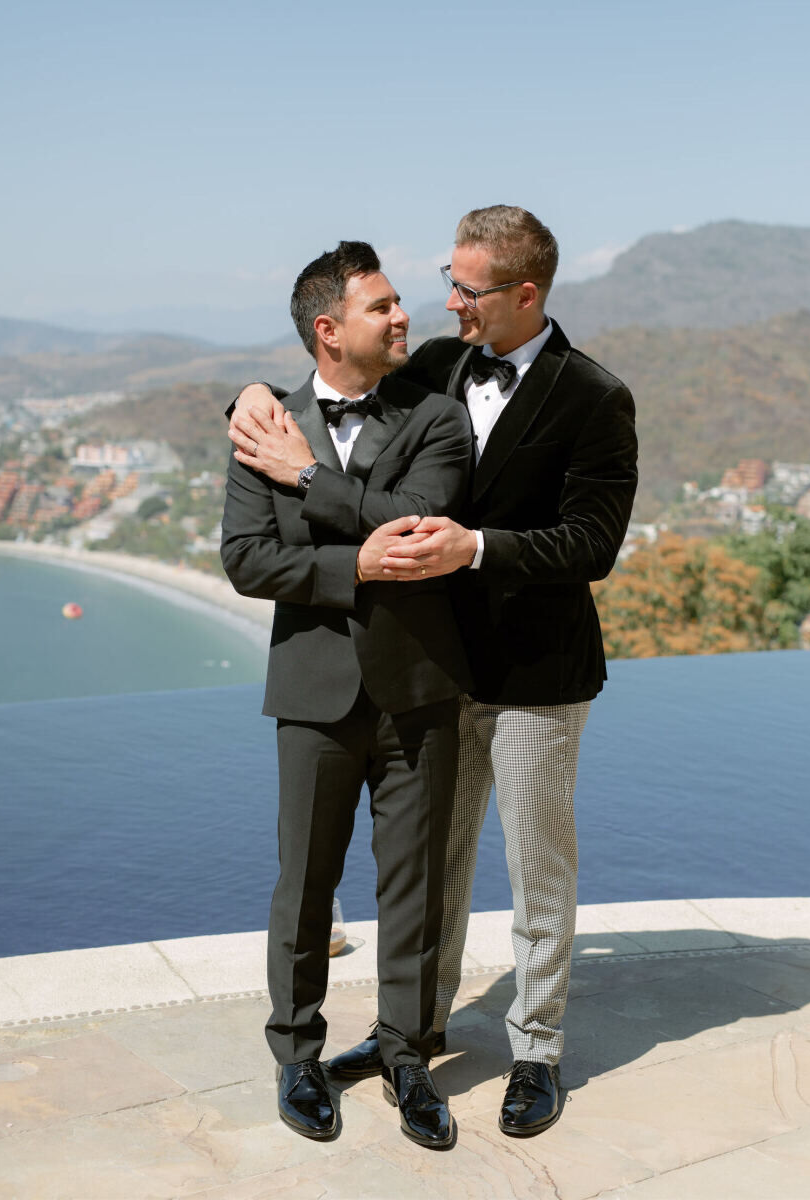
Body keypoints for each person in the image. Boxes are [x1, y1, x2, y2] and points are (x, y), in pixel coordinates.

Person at [229, 206, 638, 1138]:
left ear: (523, 295)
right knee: (432, 874)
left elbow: (593, 543)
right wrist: (250, 392)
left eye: (466, 288)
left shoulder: (594, 397)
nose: (445, 301)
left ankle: (536, 1049)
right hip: (433, 674)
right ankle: (409, 1031)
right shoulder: (441, 364)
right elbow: (326, 380)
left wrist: (479, 546)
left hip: (536, 669)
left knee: (538, 871)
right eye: (443, 283)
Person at [221, 240, 473, 1149]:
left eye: (402, 301)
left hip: (420, 693)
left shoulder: (438, 418)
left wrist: (307, 479)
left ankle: (409, 1058)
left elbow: (421, 522)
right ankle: (296, 1056)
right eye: (383, 307)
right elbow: (247, 560)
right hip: (313, 694)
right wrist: (353, 563)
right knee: (305, 888)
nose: (405, 316)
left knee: (413, 886)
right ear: (328, 331)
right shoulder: (263, 422)